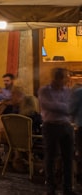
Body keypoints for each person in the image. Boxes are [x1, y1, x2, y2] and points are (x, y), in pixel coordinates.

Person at [39, 67, 74, 195]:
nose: (67, 79)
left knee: (68, 158)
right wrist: (65, 107)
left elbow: (70, 107)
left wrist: (62, 107)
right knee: (50, 158)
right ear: (58, 78)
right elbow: (49, 105)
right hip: (51, 126)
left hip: (66, 126)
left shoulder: (68, 91)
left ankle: (67, 188)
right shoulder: (44, 90)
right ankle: (51, 188)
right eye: (65, 77)